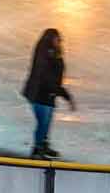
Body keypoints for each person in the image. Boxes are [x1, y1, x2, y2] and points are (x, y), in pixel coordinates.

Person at [22, 28, 76, 159]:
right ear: (51, 40)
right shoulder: (45, 54)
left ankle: (43, 146)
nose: (60, 42)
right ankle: (37, 150)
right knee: (43, 123)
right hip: (40, 95)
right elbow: (49, 78)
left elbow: (55, 79)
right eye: (58, 39)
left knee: (46, 123)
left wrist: (60, 93)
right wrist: (66, 96)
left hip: (49, 95)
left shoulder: (54, 53)